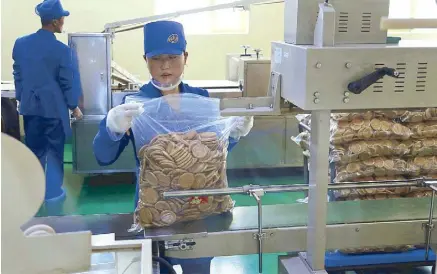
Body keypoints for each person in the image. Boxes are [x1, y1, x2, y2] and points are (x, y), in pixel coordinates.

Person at [93, 20, 253, 274]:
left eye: (172, 57)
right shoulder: (134, 104)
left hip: (200, 206)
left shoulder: (200, 99)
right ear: (145, 59)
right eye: (156, 58)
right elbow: (103, 156)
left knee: (198, 266)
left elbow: (211, 158)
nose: (165, 65)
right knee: (159, 266)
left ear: (185, 57)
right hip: (155, 209)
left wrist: (233, 135)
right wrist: (112, 128)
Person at [12, 0, 83, 205]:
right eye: (62, 18)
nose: (63, 21)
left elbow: (18, 74)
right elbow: (67, 81)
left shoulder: (21, 44)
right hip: (53, 111)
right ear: (54, 22)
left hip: (30, 108)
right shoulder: (62, 50)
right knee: (53, 151)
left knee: (34, 150)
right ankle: (52, 193)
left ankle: (32, 191)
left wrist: (21, 97)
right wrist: (74, 106)